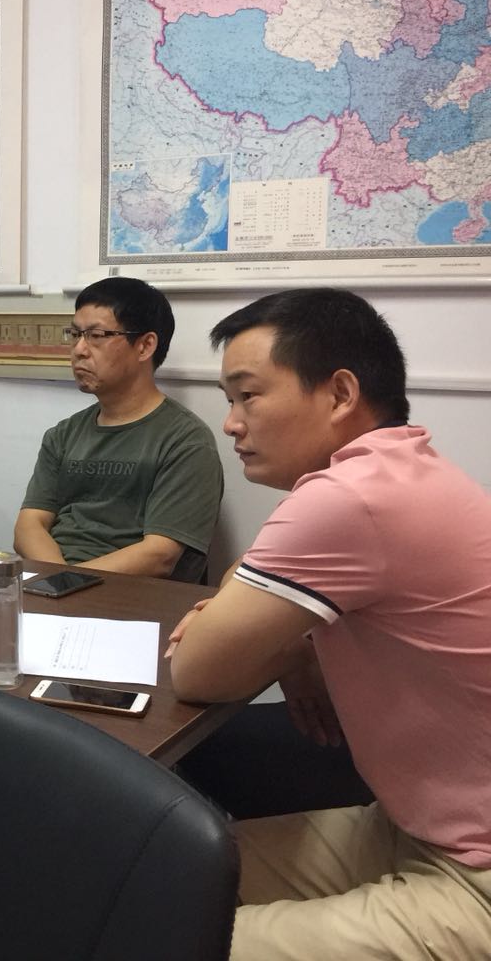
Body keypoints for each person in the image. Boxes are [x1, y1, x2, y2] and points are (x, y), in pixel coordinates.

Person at [167, 288, 491, 960]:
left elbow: (196, 670)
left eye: (248, 396)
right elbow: (246, 588)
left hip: (474, 877)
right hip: (412, 830)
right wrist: (294, 640)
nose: (231, 424)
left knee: (153, 934)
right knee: (147, 882)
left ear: (340, 393)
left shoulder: (350, 498)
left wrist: (283, 645)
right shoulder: (401, 470)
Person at [13, 277, 222, 581]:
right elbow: (28, 526)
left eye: (96, 335)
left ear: (145, 346)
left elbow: (159, 556)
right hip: (52, 581)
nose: (79, 350)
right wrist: (58, 582)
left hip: (128, 594)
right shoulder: (64, 434)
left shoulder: (186, 441)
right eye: (75, 334)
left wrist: (66, 583)